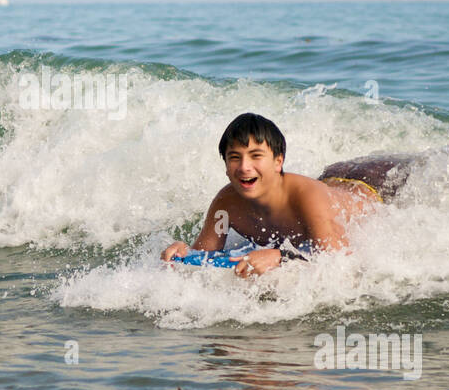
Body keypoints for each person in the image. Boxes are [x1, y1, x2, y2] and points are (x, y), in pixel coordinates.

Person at [160, 112, 418, 278]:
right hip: (332, 182)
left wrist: (281, 258)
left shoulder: (306, 198)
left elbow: (341, 268)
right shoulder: (225, 204)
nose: (244, 167)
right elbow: (206, 257)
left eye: (256, 156)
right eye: (234, 158)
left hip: (376, 184)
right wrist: (185, 253)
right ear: (226, 166)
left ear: (278, 161)